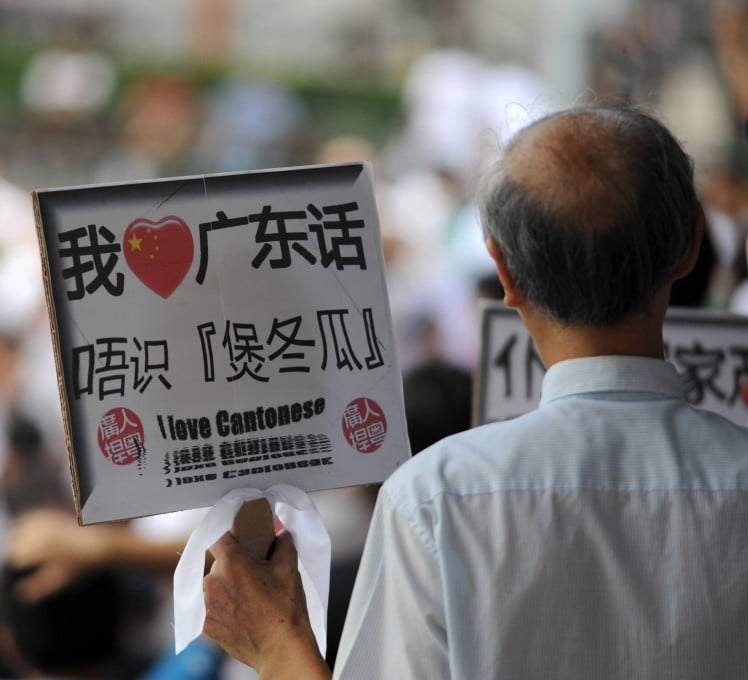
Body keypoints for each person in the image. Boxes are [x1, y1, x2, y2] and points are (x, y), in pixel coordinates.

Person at [201, 105, 748, 679]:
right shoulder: (438, 499)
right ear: (691, 247)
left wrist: (277, 646)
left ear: (504, 272)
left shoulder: (436, 499)